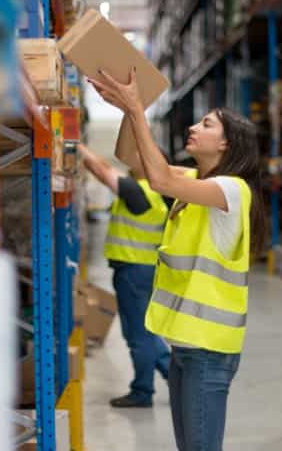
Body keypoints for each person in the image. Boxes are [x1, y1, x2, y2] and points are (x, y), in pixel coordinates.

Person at [88, 67, 265, 451]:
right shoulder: (197, 182)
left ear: (226, 145)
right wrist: (127, 109)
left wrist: (137, 110)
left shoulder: (232, 191)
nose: (194, 129)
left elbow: (161, 181)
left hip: (209, 349)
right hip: (186, 345)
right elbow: (136, 159)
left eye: (206, 124)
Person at [78, 143, 172, 408]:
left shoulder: (141, 192)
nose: (133, 160)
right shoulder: (153, 194)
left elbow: (102, 169)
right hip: (139, 269)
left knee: (138, 336)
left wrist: (76, 143)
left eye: (140, 157)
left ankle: (146, 390)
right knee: (143, 333)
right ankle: (169, 380)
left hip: (134, 271)